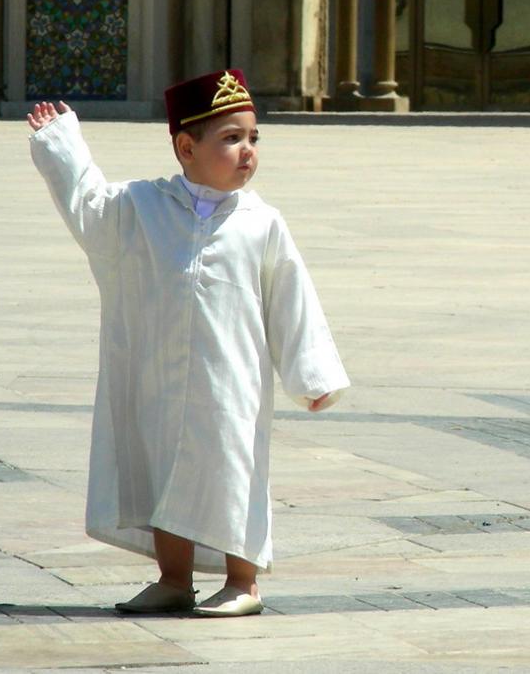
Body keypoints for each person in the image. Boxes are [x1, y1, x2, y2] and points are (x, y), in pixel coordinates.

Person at [26, 69, 350, 618]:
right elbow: (90, 207)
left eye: (253, 138)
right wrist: (63, 144)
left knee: (231, 469)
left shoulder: (262, 222)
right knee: (163, 471)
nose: (247, 151)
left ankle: (243, 582)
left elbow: (291, 300)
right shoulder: (143, 207)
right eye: (231, 138)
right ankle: (173, 579)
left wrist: (311, 375)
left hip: (231, 384)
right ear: (186, 147)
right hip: (156, 376)